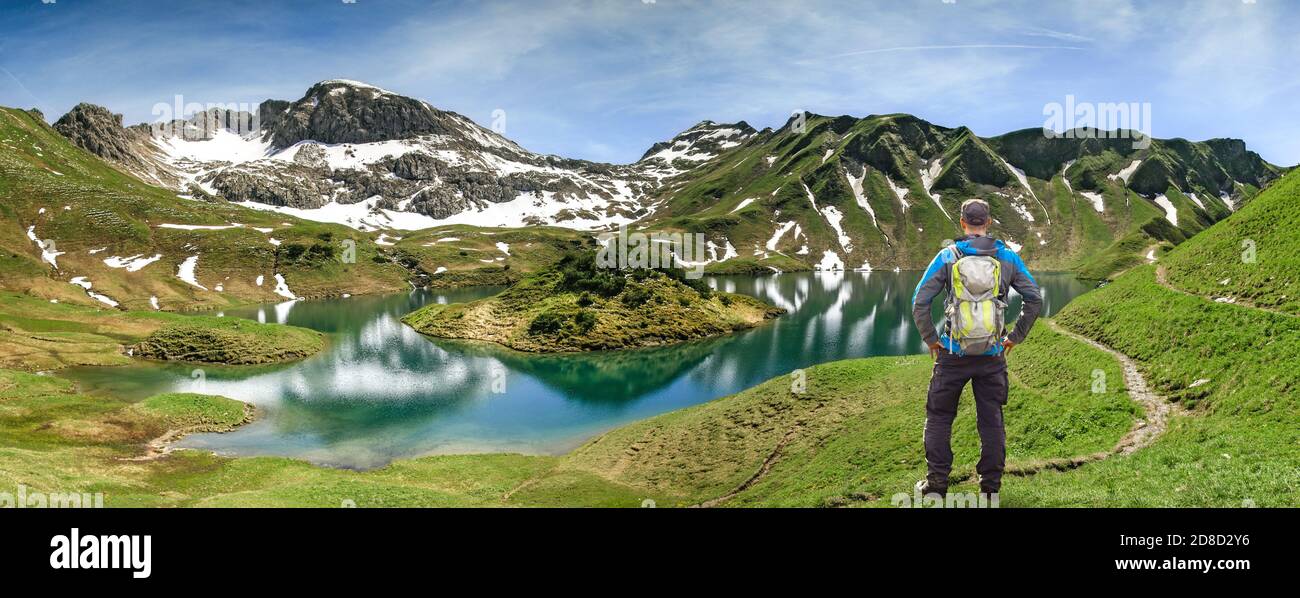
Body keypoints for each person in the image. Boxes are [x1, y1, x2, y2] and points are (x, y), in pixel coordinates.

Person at [910, 198, 1042, 500]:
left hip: (952, 356)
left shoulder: (948, 256)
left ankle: (937, 485)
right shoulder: (1008, 258)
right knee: (991, 419)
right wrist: (1015, 336)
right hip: (993, 356)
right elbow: (1034, 299)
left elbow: (920, 301)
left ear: (962, 223)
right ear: (989, 222)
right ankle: (990, 489)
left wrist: (932, 339)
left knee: (940, 417)